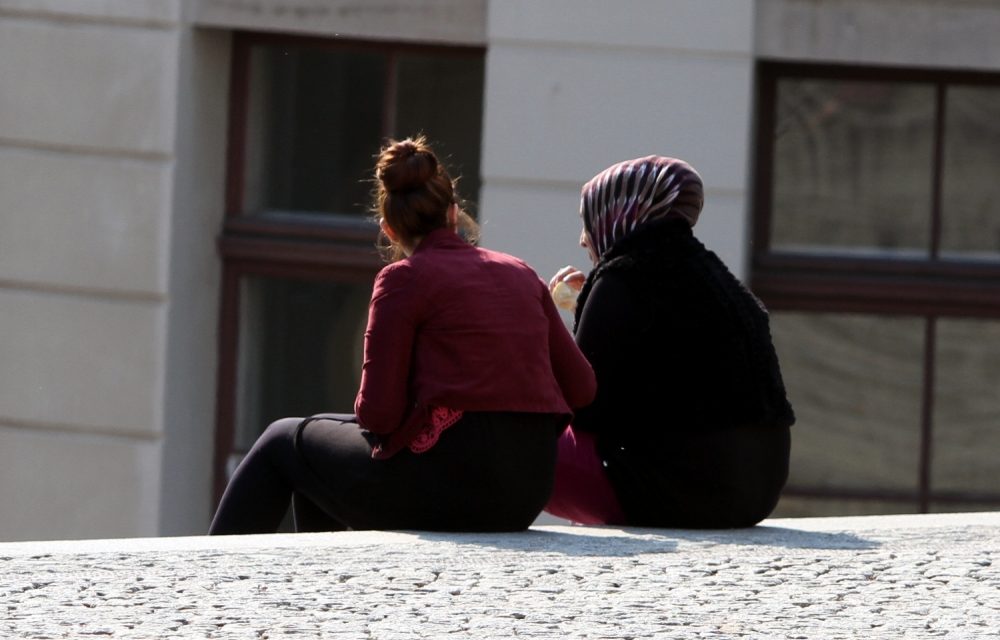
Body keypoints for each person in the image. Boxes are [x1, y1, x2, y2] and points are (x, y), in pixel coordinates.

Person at [209, 136, 596, 535]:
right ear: (453, 213)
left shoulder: (403, 279)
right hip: (525, 492)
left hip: (450, 487)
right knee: (319, 465)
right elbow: (582, 388)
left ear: (389, 229)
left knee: (282, 440)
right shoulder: (520, 272)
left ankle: (208, 578)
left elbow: (378, 414)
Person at [544, 155, 795, 528]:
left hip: (687, 494)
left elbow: (583, 407)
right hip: (757, 493)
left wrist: (551, 321)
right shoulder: (718, 279)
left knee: (517, 443)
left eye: (587, 221)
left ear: (615, 214)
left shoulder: (622, 277)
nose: (584, 239)